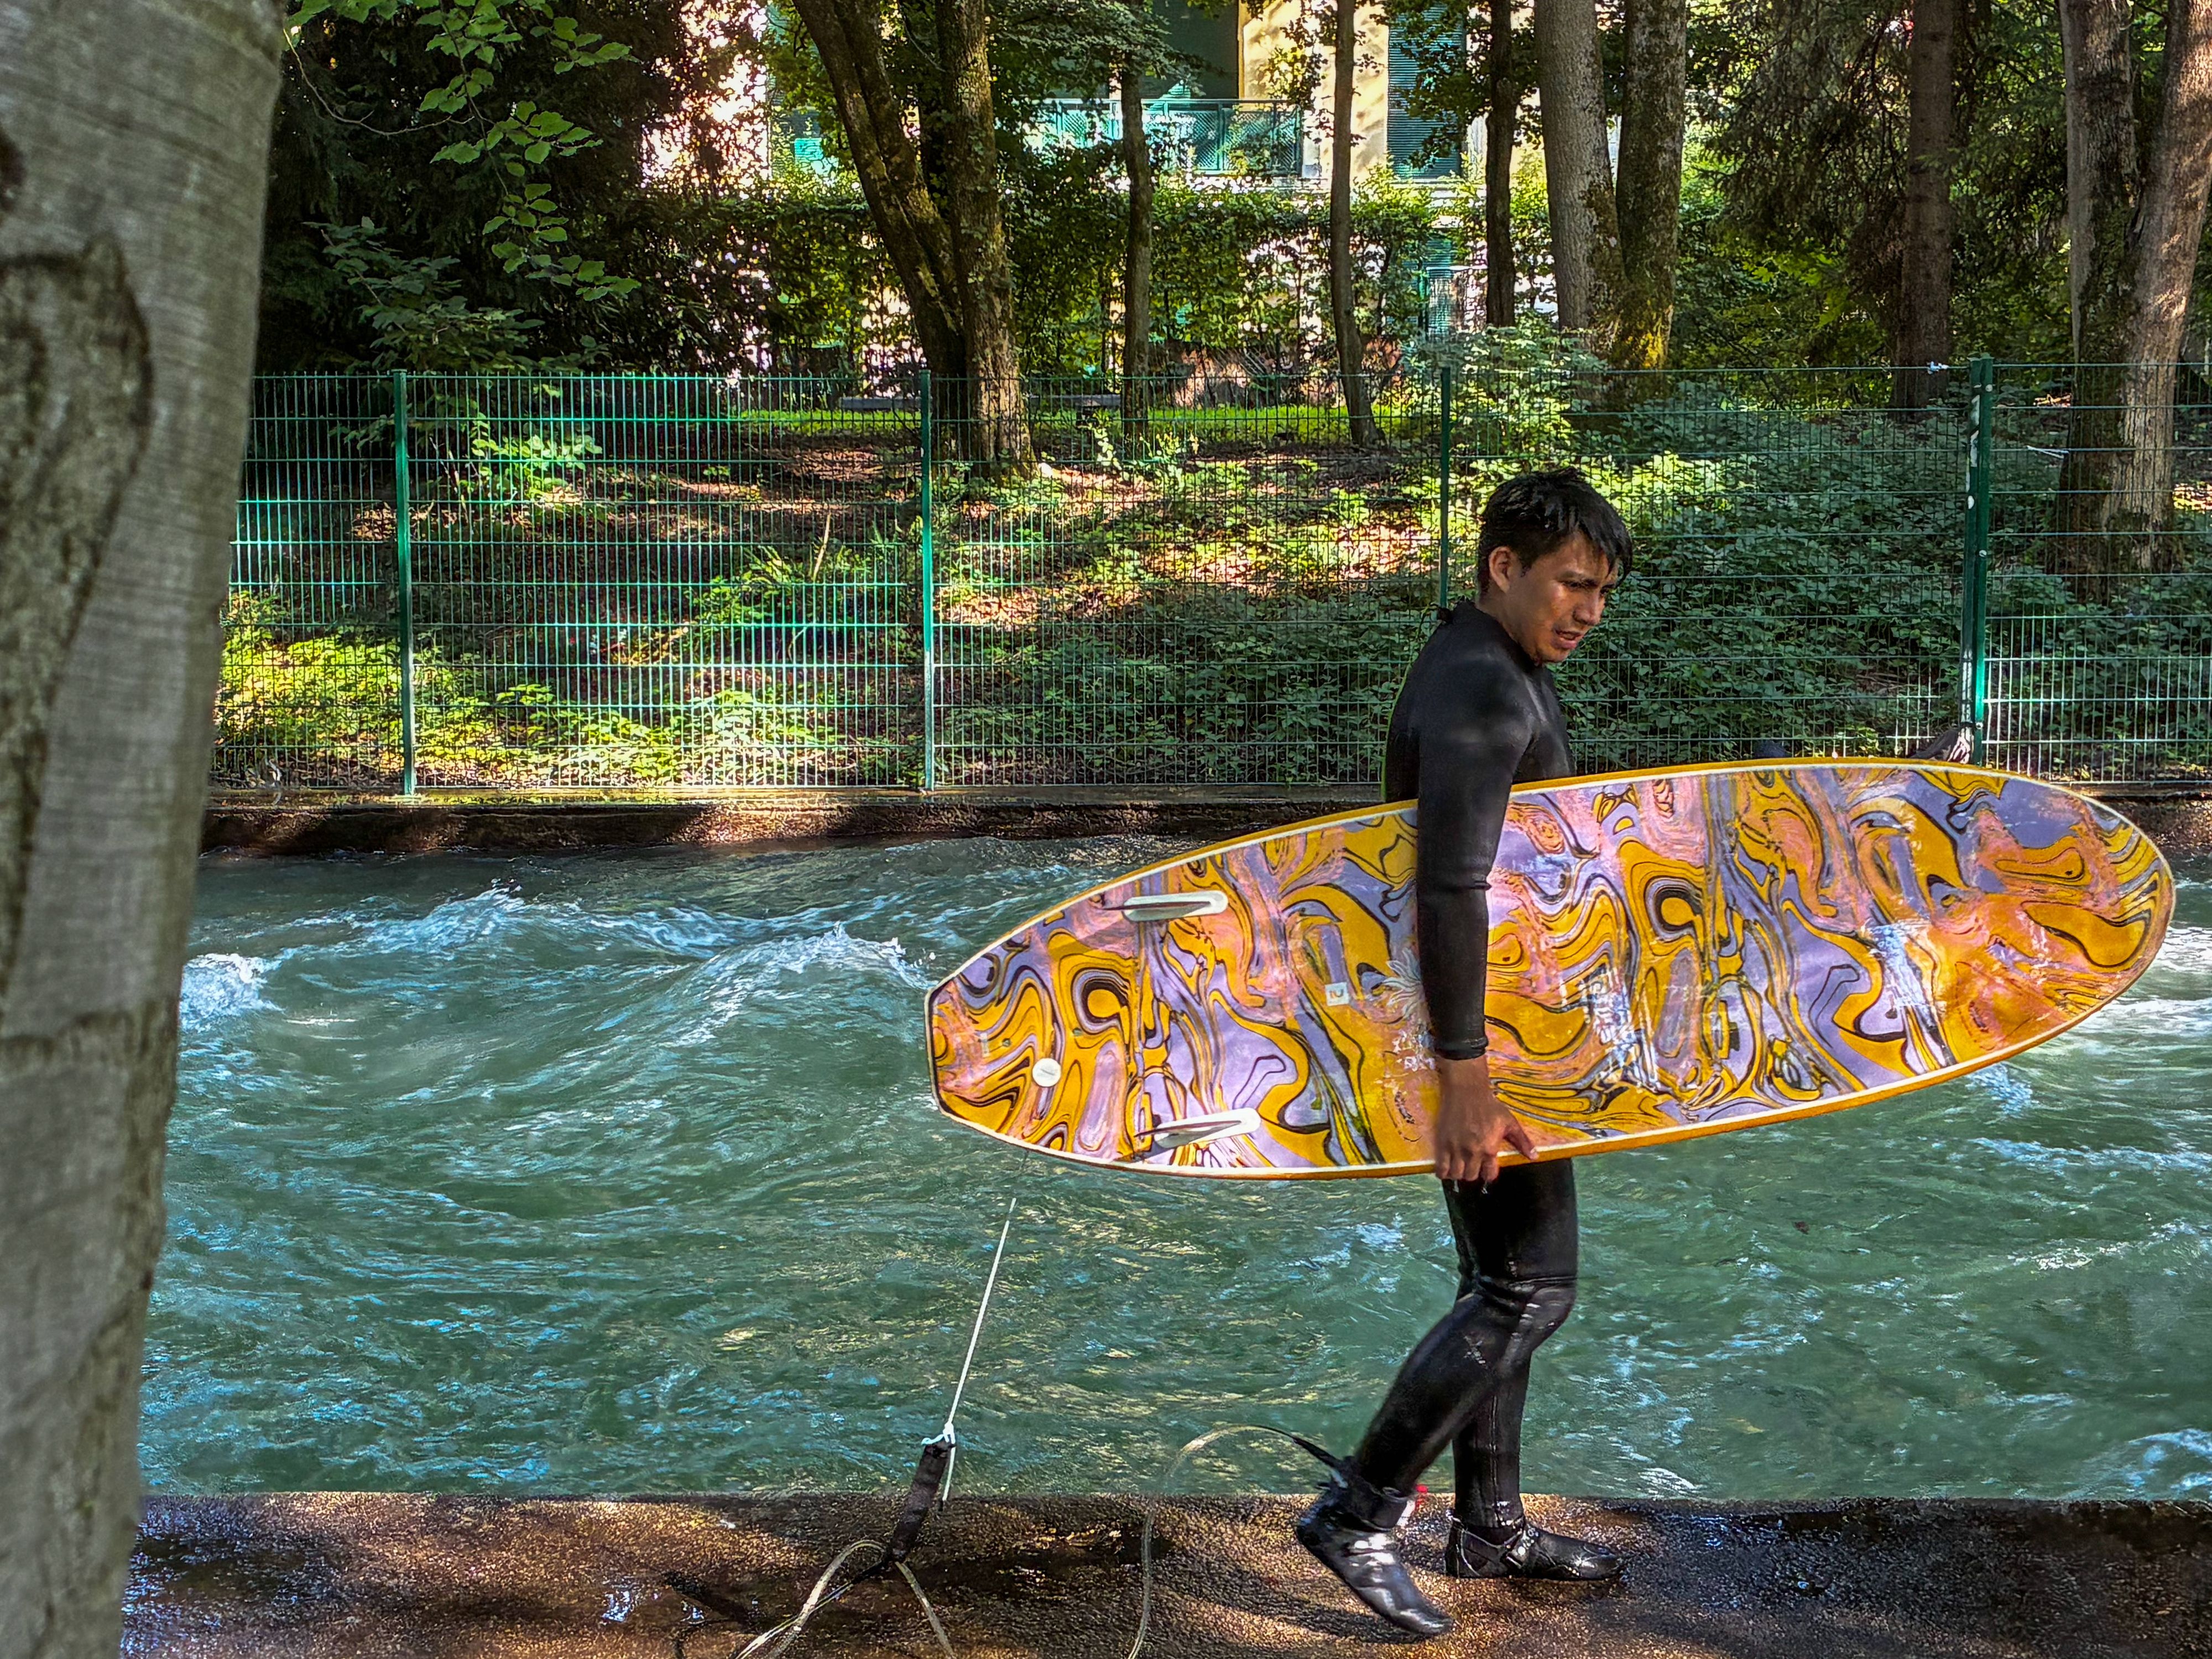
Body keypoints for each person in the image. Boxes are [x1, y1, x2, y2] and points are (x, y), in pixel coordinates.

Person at [1295, 469, 1634, 1639]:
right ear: (1503, 567)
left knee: (1498, 1282)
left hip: (1508, 1031)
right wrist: (1466, 1076)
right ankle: (1358, 1509)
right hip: (1478, 1040)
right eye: (1570, 584)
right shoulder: (1480, 691)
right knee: (1527, 1287)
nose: (1588, 608)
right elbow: (1446, 883)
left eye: (1600, 590)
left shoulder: (1487, 664)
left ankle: (1487, 1526)